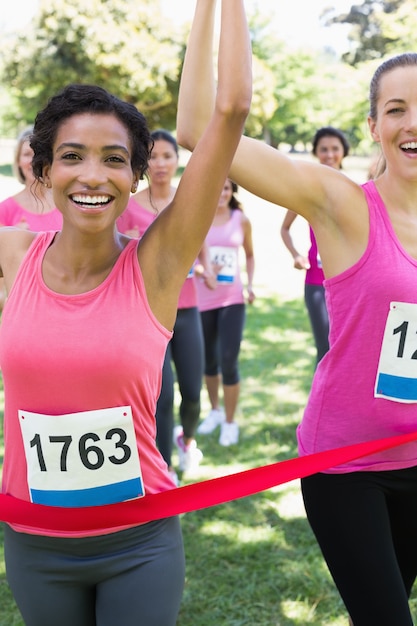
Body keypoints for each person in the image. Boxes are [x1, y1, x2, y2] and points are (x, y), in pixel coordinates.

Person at [0, 0, 251, 623]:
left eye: (115, 158)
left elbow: (231, 109)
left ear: (137, 176)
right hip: (35, 542)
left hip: (139, 542)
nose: (93, 174)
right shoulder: (11, 253)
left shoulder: (157, 265)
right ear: (44, 167)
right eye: (73, 155)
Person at [177, 7, 417, 623]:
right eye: (396, 109)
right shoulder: (340, 203)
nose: (413, 123)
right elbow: (200, 128)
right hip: (349, 464)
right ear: (372, 126)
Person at [118, 129, 215, 481]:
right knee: (160, 398)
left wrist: (204, 269)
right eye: (153, 157)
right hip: (148, 313)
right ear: (144, 163)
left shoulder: (188, 200)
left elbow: (198, 244)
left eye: (167, 156)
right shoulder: (128, 208)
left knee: (192, 391)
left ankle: (187, 441)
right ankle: (164, 468)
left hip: (187, 311)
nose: (160, 164)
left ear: (178, 161)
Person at [280, 127, 350, 365]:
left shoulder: (358, 191)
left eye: (334, 149)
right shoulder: (307, 191)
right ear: (316, 153)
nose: (329, 155)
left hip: (350, 282)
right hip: (316, 283)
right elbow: (284, 228)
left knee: (350, 351)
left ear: (344, 152)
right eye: (323, 149)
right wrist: (296, 255)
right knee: (326, 351)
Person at [196, 178, 255, 446]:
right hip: (203, 299)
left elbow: (250, 255)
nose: (222, 192)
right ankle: (215, 412)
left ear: (232, 193)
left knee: (228, 361)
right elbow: (189, 255)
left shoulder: (240, 219)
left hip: (232, 300)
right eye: (217, 187)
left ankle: (230, 423)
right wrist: (203, 270)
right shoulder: (200, 217)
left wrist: (251, 284)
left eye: (227, 188)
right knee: (209, 362)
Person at [0, 126, 62, 230]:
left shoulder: (65, 202)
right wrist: (12, 238)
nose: (34, 161)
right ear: (18, 161)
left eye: (38, 154)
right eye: (27, 154)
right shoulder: (4, 210)